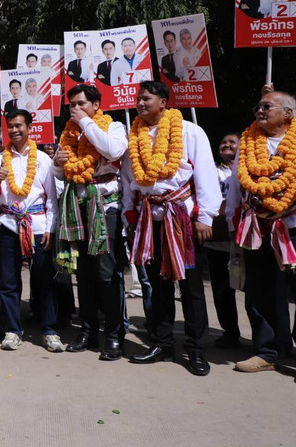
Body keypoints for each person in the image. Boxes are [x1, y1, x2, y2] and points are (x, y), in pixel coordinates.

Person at [227, 91, 296, 386]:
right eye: (257, 106)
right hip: (257, 226)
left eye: (266, 106)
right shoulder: (248, 141)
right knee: (260, 292)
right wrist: (233, 221)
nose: (259, 110)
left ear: (288, 113)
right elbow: (236, 184)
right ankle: (269, 351)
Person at [121, 80, 220, 376]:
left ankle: (196, 349)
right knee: (157, 286)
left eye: (146, 98)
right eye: (138, 99)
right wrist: (130, 217)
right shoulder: (134, 136)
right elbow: (128, 180)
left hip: (182, 219)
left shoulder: (189, 131)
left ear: (164, 102)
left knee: (190, 287)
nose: (140, 103)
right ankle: (162, 343)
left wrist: (206, 217)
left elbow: (205, 174)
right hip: (149, 219)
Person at [52, 85, 128, 360]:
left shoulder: (113, 126)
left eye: (81, 103)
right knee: (83, 274)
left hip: (105, 208)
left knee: (106, 273)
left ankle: (114, 336)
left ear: (96, 104)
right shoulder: (70, 133)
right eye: (72, 105)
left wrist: (85, 122)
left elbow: (113, 151)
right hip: (78, 207)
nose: (75, 109)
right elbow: (60, 173)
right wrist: (58, 161)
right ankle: (88, 331)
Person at [0, 109, 61, 352]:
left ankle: (49, 331)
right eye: (10, 126)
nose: (14, 130)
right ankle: (13, 330)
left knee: (44, 279)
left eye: (19, 125)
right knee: (8, 280)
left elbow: (51, 197)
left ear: (29, 128)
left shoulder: (42, 159)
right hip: (9, 225)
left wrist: (51, 226)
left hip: (38, 226)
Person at [206, 133, 242, 349]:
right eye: (223, 142)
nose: (226, 145)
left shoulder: (248, 169)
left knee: (253, 288)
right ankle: (230, 331)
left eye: (232, 142)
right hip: (218, 239)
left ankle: (263, 335)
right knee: (221, 289)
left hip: (244, 239)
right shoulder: (211, 171)